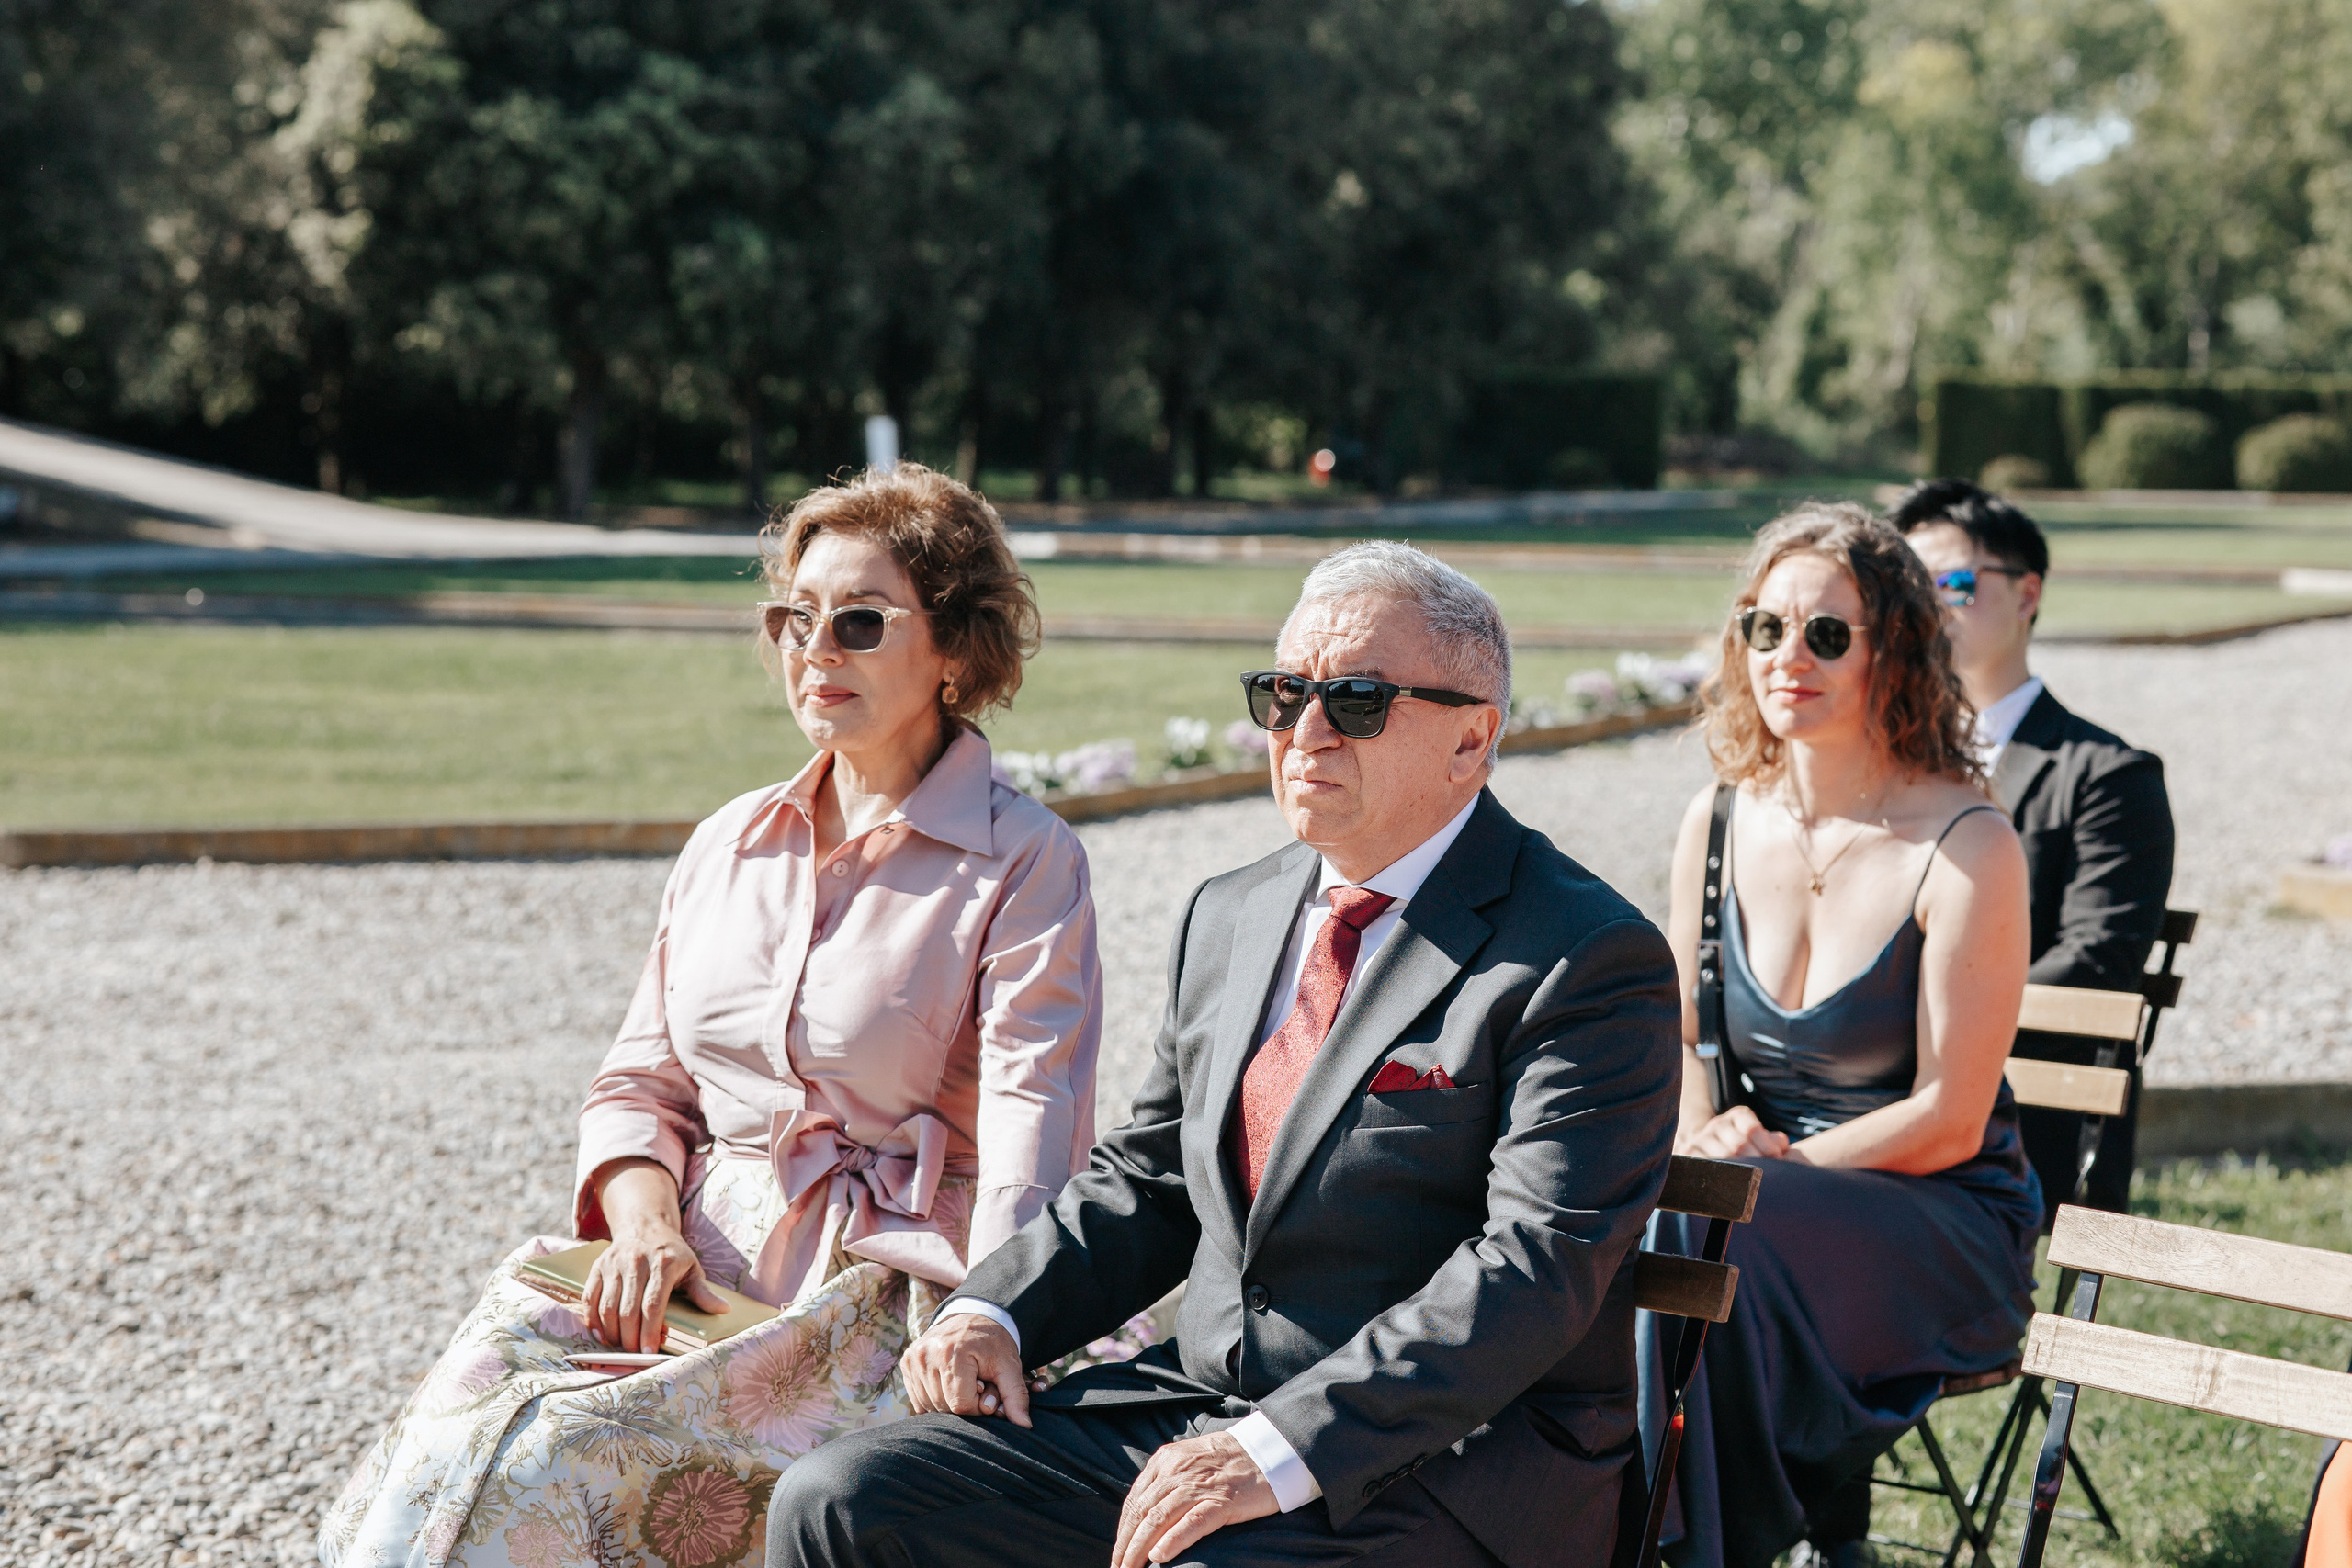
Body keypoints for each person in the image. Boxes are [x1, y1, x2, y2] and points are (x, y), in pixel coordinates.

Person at [765, 540, 1683, 1568]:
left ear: (1472, 740)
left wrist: (1282, 1446)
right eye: (1286, 695)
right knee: (841, 1499)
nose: (1307, 732)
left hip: (1448, 1459)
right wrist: (995, 1311)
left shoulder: (1585, 956)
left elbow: (1532, 1271)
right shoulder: (1234, 911)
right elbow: (1154, 1176)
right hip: (1194, 1412)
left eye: (1360, 700)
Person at [320, 464, 1104, 1567]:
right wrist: (640, 1229)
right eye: (795, 618)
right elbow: (638, 1086)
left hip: (882, 1291)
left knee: (552, 1469)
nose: (815, 649)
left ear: (957, 649)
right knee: (446, 1441)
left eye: (860, 622)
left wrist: (994, 1314)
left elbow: (1035, 1119)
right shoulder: (728, 842)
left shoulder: (1028, 862)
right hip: (683, 1262)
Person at [1651, 504, 2042, 1568]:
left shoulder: (1967, 842)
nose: (1788, 657)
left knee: (1706, 1236)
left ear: (1895, 651)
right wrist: (1704, 1137)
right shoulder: (1720, 818)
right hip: (1758, 1204)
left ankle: (1689, 1546)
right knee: (1636, 1215)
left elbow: (1950, 1117)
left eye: (1827, 634)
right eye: (1763, 629)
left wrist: (1762, 1170)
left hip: (1937, 1215)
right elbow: (1679, 1033)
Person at [1891, 478, 2176, 1213]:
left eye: (1953, 582)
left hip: (2024, 1114)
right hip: (1868, 1093)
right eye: (1907, 585)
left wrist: (1909, 1031)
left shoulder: (2108, 775)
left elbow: (2096, 958)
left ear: (2027, 595)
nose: (1927, 605)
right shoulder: (1871, 766)